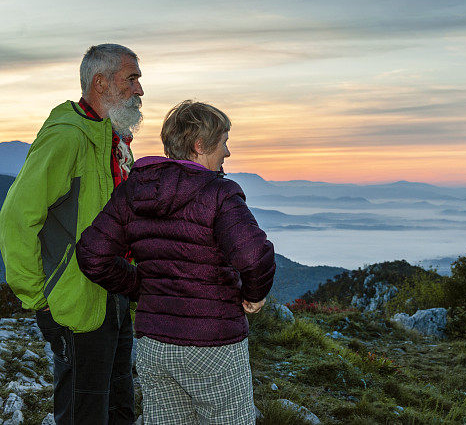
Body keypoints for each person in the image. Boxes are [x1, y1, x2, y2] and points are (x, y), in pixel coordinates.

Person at [76, 100, 276, 425]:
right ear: (200, 145)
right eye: (224, 141)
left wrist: (140, 285)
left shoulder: (133, 191)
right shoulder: (219, 193)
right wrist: (253, 296)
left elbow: (92, 254)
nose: (227, 152)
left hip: (155, 345)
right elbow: (254, 255)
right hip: (214, 342)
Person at [0, 44, 143, 424]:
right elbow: (16, 217)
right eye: (132, 79)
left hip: (112, 297)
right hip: (74, 305)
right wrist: (39, 300)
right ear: (100, 82)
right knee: (84, 413)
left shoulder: (108, 136)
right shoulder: (69, 137)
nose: (140, 91)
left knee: (118, 407)